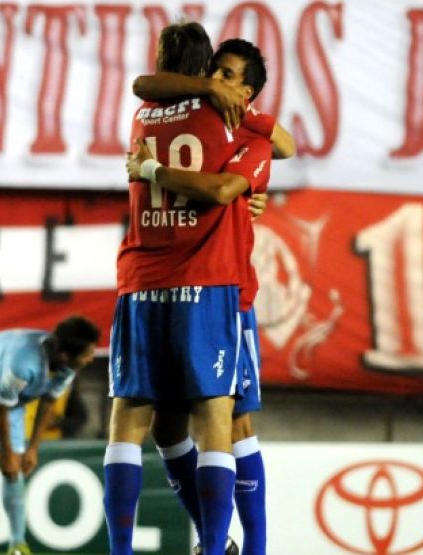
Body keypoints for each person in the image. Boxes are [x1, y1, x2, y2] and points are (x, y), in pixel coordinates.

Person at [104, 22, 279, 555]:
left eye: (230, 75)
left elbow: (143, 87)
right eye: (216, 71)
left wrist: (152, 167)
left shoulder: (141, 118)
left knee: (132, 418)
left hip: (141, 283)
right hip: (209, 285)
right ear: (205, 70)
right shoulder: (233, 124)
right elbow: (277, 146)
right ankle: (223, 545)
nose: (220, 79)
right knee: (219, 418)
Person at [0, 316, 100, 555]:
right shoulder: (23, 364)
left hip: (9, 400)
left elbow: (47, 402)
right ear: (65, 354)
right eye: (88, 353)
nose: (91, 358)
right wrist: (5, 452)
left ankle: (17, 545)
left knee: (15, 470)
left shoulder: (67, 367)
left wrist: (33, 448)